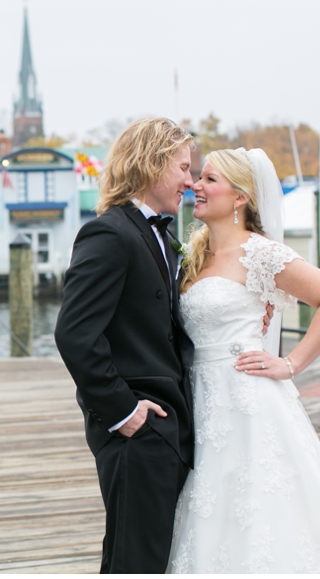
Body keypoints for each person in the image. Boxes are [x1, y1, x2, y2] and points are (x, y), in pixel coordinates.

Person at [166, 148, 320, 573]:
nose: (196, 185)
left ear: (241, 197)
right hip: (200, 399)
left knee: (260, 508)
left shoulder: (261, 253)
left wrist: (291, 363)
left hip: (247, 398)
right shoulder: (194, 256)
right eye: (198, 177)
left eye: (210, 179)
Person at [55, 117, 200, 573]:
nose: (190, 181)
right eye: (182, 168)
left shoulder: (162, 235)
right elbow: (75, 333)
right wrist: (125, 411)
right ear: (152, 164)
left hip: (169, 430)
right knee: (133, 563)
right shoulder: (109, 233)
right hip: (138, 433)